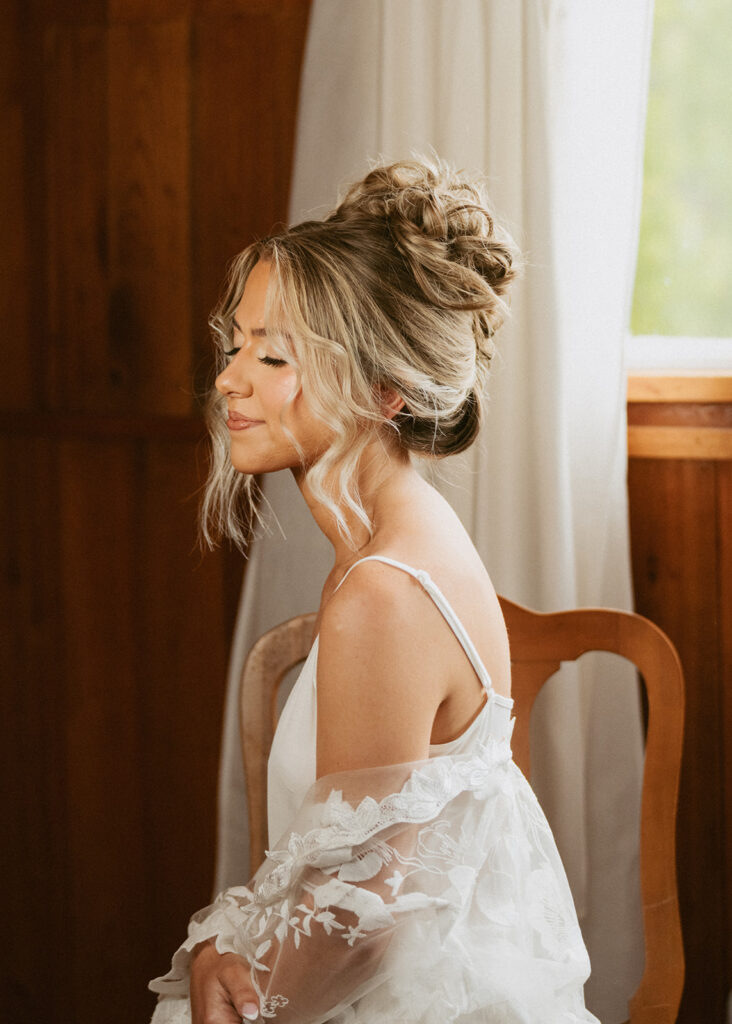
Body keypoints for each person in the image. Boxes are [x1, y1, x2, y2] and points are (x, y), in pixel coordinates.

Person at [148, 157, 599, 1024]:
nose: (230, 378)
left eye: (273, 354)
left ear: (385, 390)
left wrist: (231, 979)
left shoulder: (382, 593)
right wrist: (224, 948)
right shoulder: (393, 543)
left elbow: (364, 929)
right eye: (234, 345)